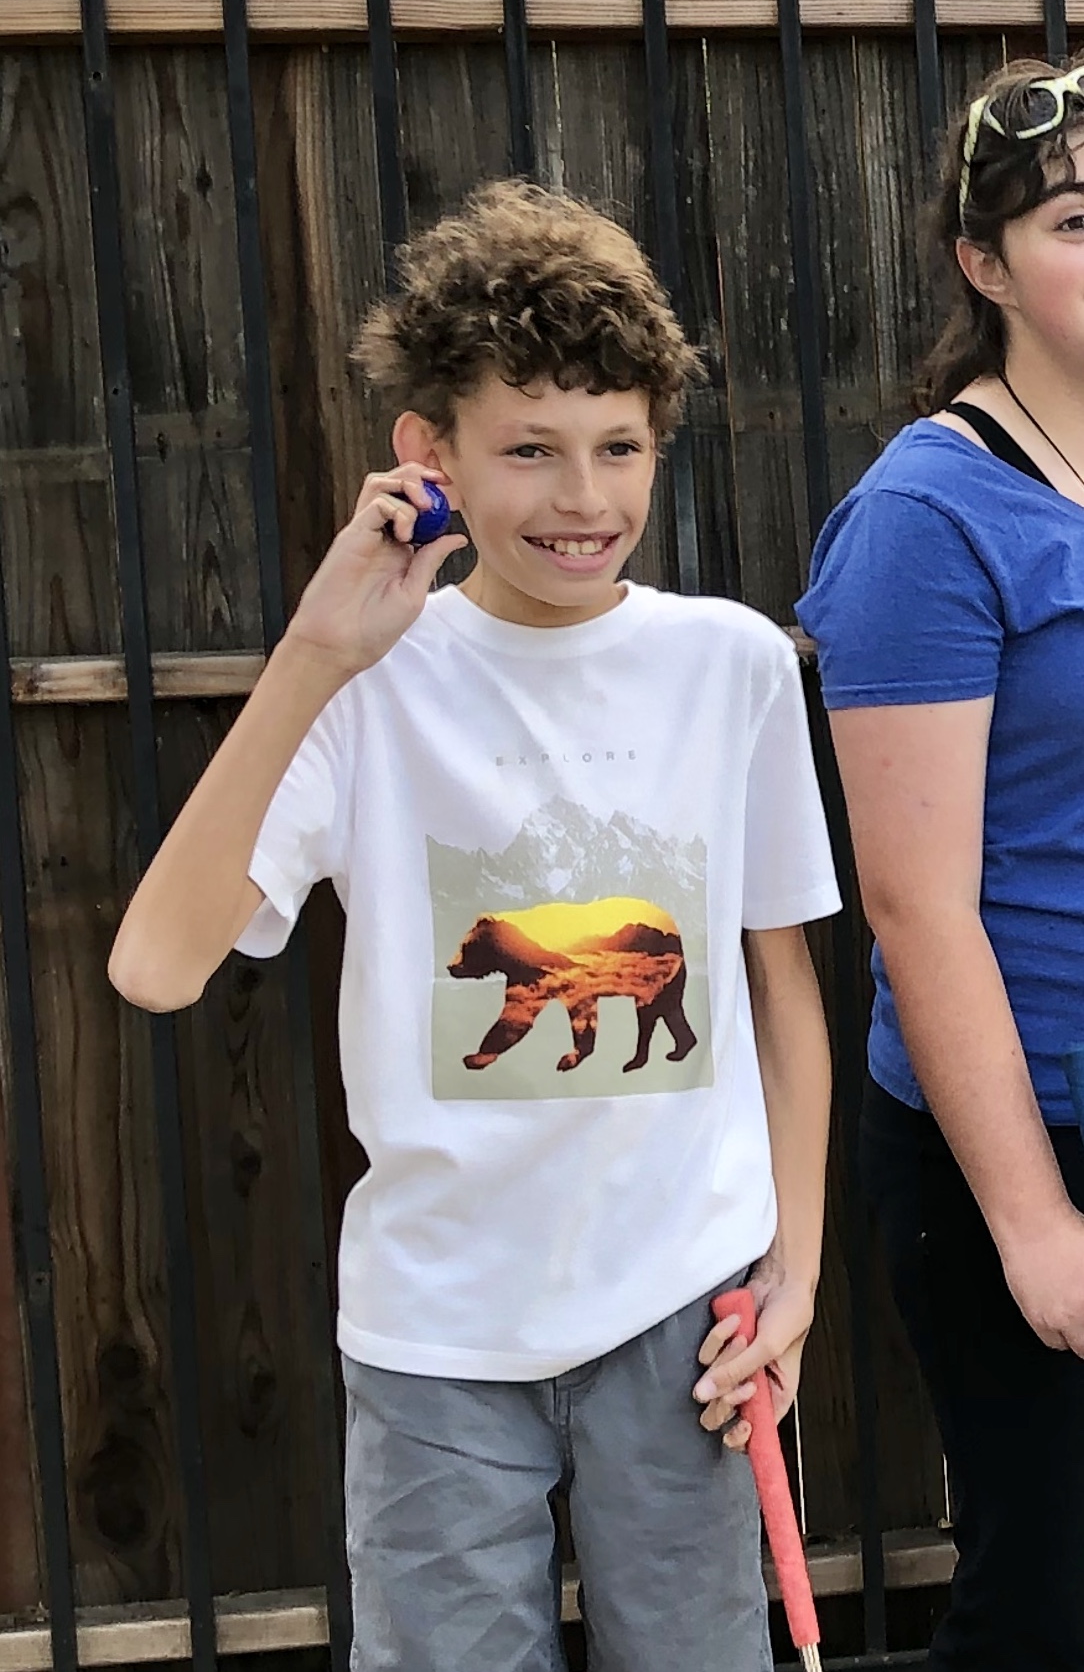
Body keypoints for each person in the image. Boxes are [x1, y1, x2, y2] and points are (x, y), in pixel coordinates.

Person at [110, 180, 839, 1672]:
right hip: (434, 1334)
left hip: (687, 1314)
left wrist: (797, 1272)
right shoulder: (366, 682)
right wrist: (315, 653)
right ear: (427, 455)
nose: (584, 498)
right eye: (528, 449)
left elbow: (782, 993)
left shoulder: (736, 667)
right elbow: (156, 964)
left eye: (618, 446)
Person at [797, 58, 1084, 1672]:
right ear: (985, 264)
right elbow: (914, 907)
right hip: (1030, 1136)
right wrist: (1036, 1224)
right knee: (1050, 1605)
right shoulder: (929, 515)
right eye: (1075, 221)